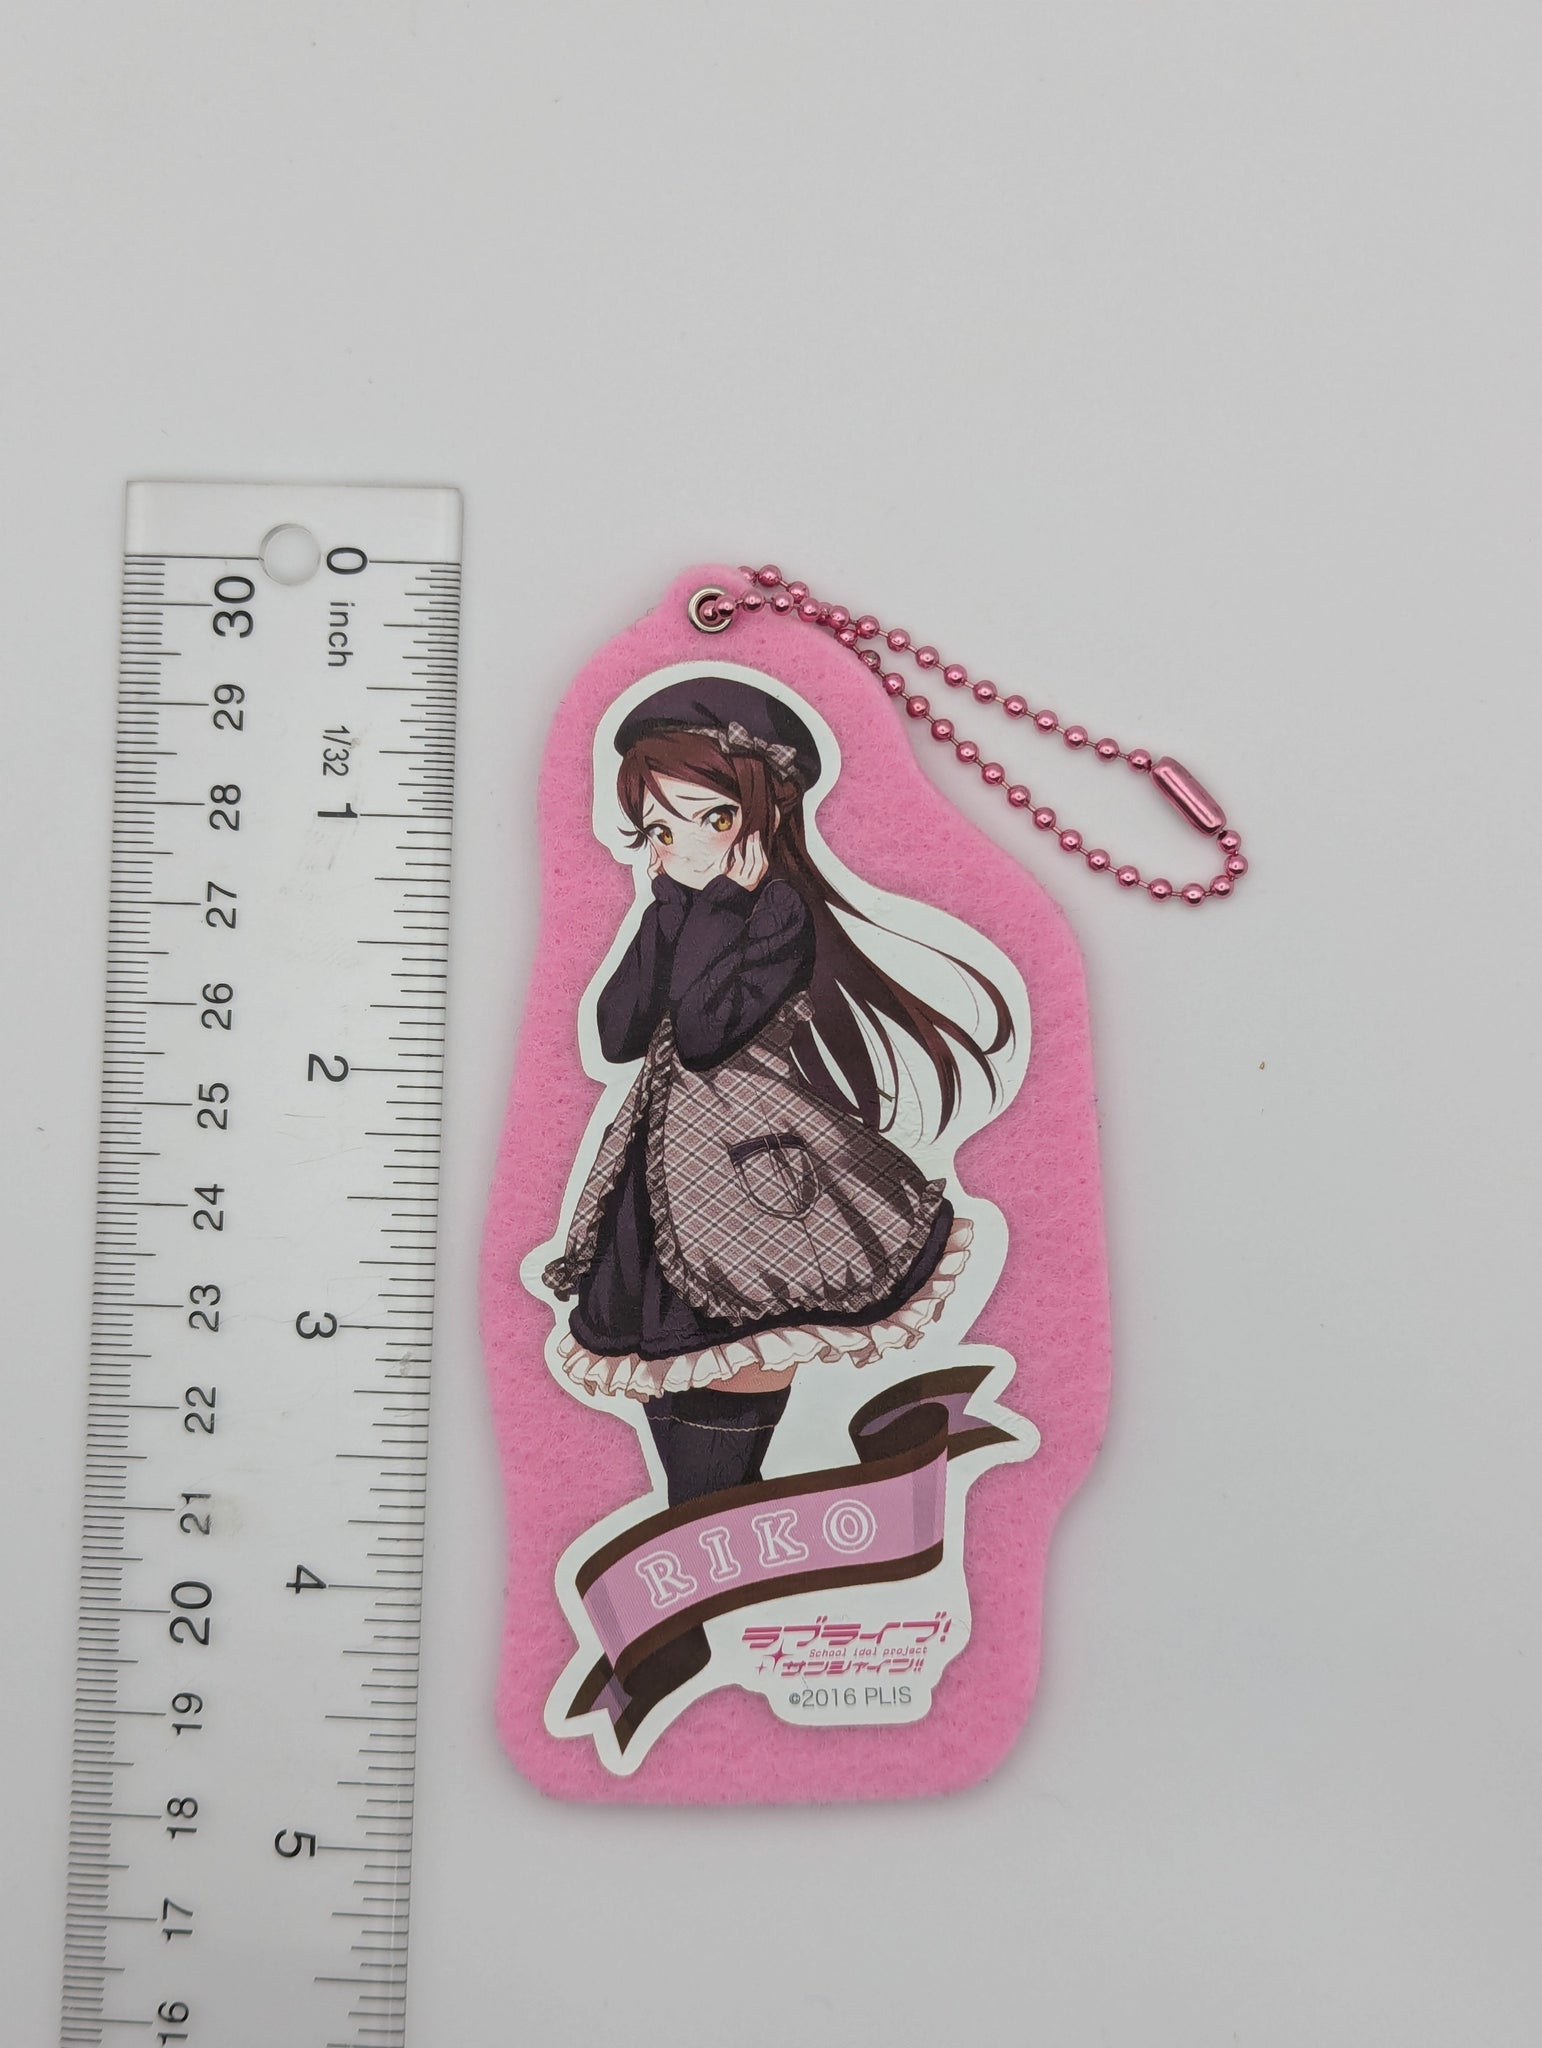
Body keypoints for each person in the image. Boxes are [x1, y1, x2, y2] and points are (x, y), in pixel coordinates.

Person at [541, 677, 1015, 1508]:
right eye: (661, 828)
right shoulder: (676, 908)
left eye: (712, 819)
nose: (684, 847)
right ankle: (694, 1543)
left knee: (731, 1373)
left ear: (763, 813)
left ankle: (713, 1529)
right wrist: (664, 914)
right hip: (660, 1180)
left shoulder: (779, 913)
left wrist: (720, 903)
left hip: (750, 1184)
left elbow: (706, 1033)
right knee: (664, 1375)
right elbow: (617, 1035)